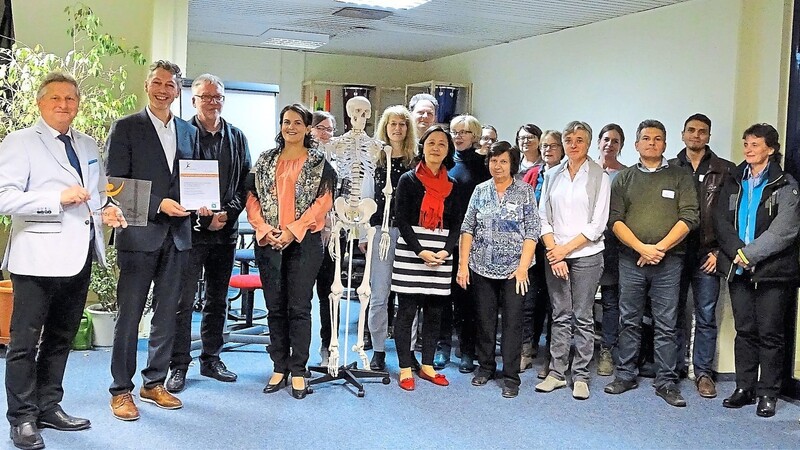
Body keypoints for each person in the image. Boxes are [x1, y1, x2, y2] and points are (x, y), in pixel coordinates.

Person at [0, 72, 126, 450]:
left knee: (61, 337)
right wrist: (56, 199)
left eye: (71, 98)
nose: (64, 105)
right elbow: (4, 198)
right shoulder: (19, 141)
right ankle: (21, 417)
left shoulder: (87, 143)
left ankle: (48, 405)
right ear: (40, 103)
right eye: (55, 98)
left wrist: (109, 210)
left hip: (80, 254)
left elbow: (98, 194)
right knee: (25, 341)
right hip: (36, 259)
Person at [106, 60, 199, 421]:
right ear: (147, 85)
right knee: (129, 316)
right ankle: (121, 390)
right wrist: (160, 204)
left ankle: (154, 382)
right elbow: (114, 184)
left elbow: (193, 179)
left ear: (178, 90)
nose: (163, 90)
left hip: (179, 236)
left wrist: (201, 204)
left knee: (167, 315)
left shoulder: (188, 132)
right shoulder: (126, 128)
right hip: (138, 235)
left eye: (170, 85)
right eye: (157, 83)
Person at [604, 119, 698, 408]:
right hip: (631, 260)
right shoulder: (624, 179)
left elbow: (690, 217)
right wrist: (642, 248)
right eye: (646, 139)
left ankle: (666, 381)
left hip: (669, 262)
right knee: (628, 319)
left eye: (658, 139)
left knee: (667, 323)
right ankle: (625, 374)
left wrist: (659, 248)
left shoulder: (681, 177)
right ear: (636, 145)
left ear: (665, 144)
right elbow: (614, 220)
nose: (652, 143)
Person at [166, 74, 251, 393]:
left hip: (225, 232)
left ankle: (211, 358)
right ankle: (178, 364)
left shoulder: (238, 137)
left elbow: (245, 183)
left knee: (218, 299)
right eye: (206, 97)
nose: (212, 102)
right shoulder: (182, 134)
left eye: (218, 97)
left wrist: (227, 212)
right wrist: (200, 216)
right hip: (190, 232)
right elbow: (174, 180)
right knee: (183, 301)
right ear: (193, 100)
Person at [246, 103, 336, 399]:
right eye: (286, 122)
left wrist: (292, 231)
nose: (291, 127)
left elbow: (323, 203)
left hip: (304, 242)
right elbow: (252, 199)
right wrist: (263, 229)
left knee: (299, 306)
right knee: (274, 306)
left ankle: (298, 369)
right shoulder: (265, 159)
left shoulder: (319, 163)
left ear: (308, 128)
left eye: (298, 122)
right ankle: (279, 365)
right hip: (268, 242)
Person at [715, 123, 800, 418]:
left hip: (772, 271)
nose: (748, 149)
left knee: (770, 334)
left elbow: (784, 231)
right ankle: (744, 388)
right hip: (738, 269)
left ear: (771, 149)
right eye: (746, 144)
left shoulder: (785, 184)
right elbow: (721, 222)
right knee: (745, 331)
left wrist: (747, 254)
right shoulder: (734, 179)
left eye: (755, 144)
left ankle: (768, 393)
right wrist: (737, 253)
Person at [534, 121, 610, 400]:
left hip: (586, 255)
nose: (573, 144)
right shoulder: (552, 174)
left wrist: (563, 251)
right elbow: (543, 216)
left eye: (580, 139)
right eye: (569, 139)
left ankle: (580, 376)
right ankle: (556, 372)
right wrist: (554, 251)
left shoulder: (600, 176)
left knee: (583, 316)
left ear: (588, 144)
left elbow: (596, 225)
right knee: (560, 315)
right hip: (555, 254)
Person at [457, 141, 539, 398]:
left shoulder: (524, 191)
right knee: (484, 319)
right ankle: (485, 367)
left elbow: (532, 231)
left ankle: (511, 376)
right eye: (494, 161)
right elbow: (467, 228)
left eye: (503, 161)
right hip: (481, 266)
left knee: (513, 323)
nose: (498, 166)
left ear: (512, 164)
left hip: (516, 271)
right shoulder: (480, 191)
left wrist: (523, 267)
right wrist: (463, 266)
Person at [669, 113, 734, 397]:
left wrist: (720, 251)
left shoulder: (725, 170)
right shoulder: (669, 168)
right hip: (674, 254)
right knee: (671, 314)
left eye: (702, 131)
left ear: (708, 136)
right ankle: (673, 368)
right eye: (691, 130)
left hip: (708, 254)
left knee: (705, 315)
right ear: (682, 134)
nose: (696, 135)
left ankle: (704, 373)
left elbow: (731, 218)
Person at [391, 125, 461, 391]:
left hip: (441, 253)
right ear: (423, 146)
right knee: (407, 312)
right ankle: (405, 367)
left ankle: (428, 365)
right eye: (431, 142)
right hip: (412, 252)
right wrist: (420, 251)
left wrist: (446, 251)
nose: (436, 148)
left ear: (448, 150)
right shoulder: (408, 180)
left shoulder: (453, 185)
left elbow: (456, 224)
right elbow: (402, 220)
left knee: (434, 313)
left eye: (442, 144)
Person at [364, 105, 417, 371]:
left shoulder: (415, 161)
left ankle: (408, 350)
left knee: (409, 295)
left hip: (409, 235)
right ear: (385, 126)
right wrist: (364, 233)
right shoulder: (374, 158)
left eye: (402, 124)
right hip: (380, 231)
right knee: (380, 294)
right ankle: (378, 349)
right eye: (392, 124)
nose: (397, 129)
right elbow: (363, 196)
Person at [435, 114, 489, 373]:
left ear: (474, 135)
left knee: (467, 299)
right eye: (455, 132)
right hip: (444, 237)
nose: (458, 136)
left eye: (464, 132)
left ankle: (467, 350)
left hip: (472, 240)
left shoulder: (482, 165)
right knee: (442, 296)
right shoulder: (443, 162)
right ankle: (443, 347)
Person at [520, 129, 563, 378]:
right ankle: (526, 350)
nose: (548, 150)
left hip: (557, 247)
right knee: (529, 302)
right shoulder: (532, 174)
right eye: (545, 146)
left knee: (553, 305)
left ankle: (551, 358)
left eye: (553, 146)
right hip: (532, 246)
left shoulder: (567, 175)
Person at [595, 123, 627, 377]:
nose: (610, 144)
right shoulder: (586, 171)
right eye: (606, 139)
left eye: (615, 141)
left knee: (610, 300)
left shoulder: (626, 175)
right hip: (584, 245)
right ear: (598, 142)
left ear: (621, 146)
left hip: (613, 247)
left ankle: (607, 350)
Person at [309, 110, 338, 366]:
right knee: (300, 299)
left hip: (332, 240)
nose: (325, 134)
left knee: (328, 296)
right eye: (321, 128)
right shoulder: (300, 160)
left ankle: (328, 346)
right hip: (305, 237)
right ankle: (297, 353)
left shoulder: (338, 163)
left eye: (330, 129)